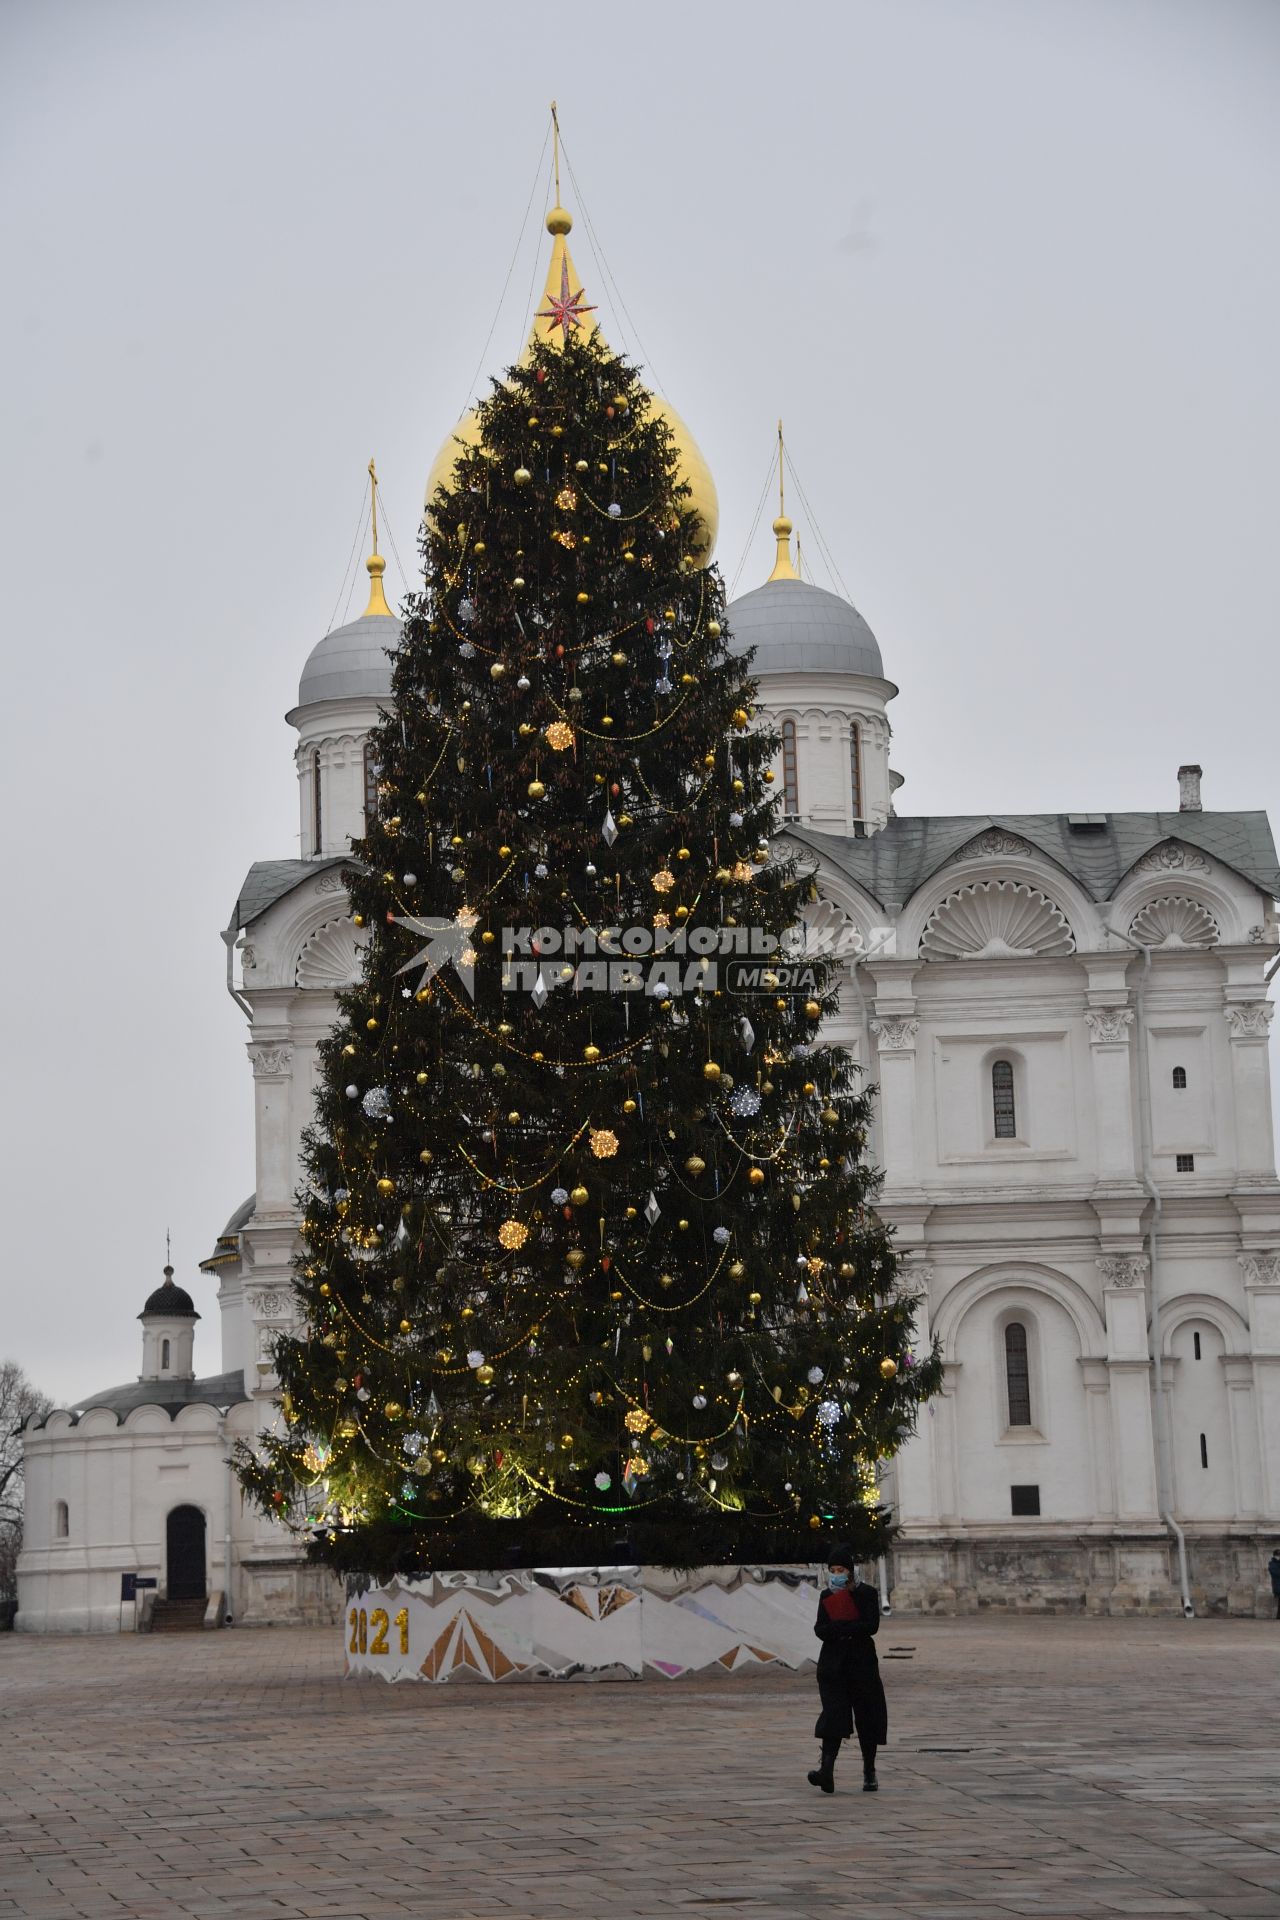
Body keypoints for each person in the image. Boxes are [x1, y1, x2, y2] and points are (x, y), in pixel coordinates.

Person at [807, 1543, 888, 1795]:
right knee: (834, 1714)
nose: (836, 1573)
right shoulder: (826, 1597)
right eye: (832, 1569)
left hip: (861, 1664)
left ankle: (869, 1770)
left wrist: (844, 1626)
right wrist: (838, 1629)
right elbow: (820, 1628)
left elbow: (870, 1625)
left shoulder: (866, 1593)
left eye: (840, 1569)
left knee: (867, 1717)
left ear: (850, 1571)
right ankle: (826, 1771)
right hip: (833, 1666)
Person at [1268, 1546, 1280, 1620]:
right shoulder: (1272, 1563)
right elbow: (1275, 1573)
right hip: (1277, 1585)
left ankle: (1278, 1616)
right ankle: (1278, 1616)